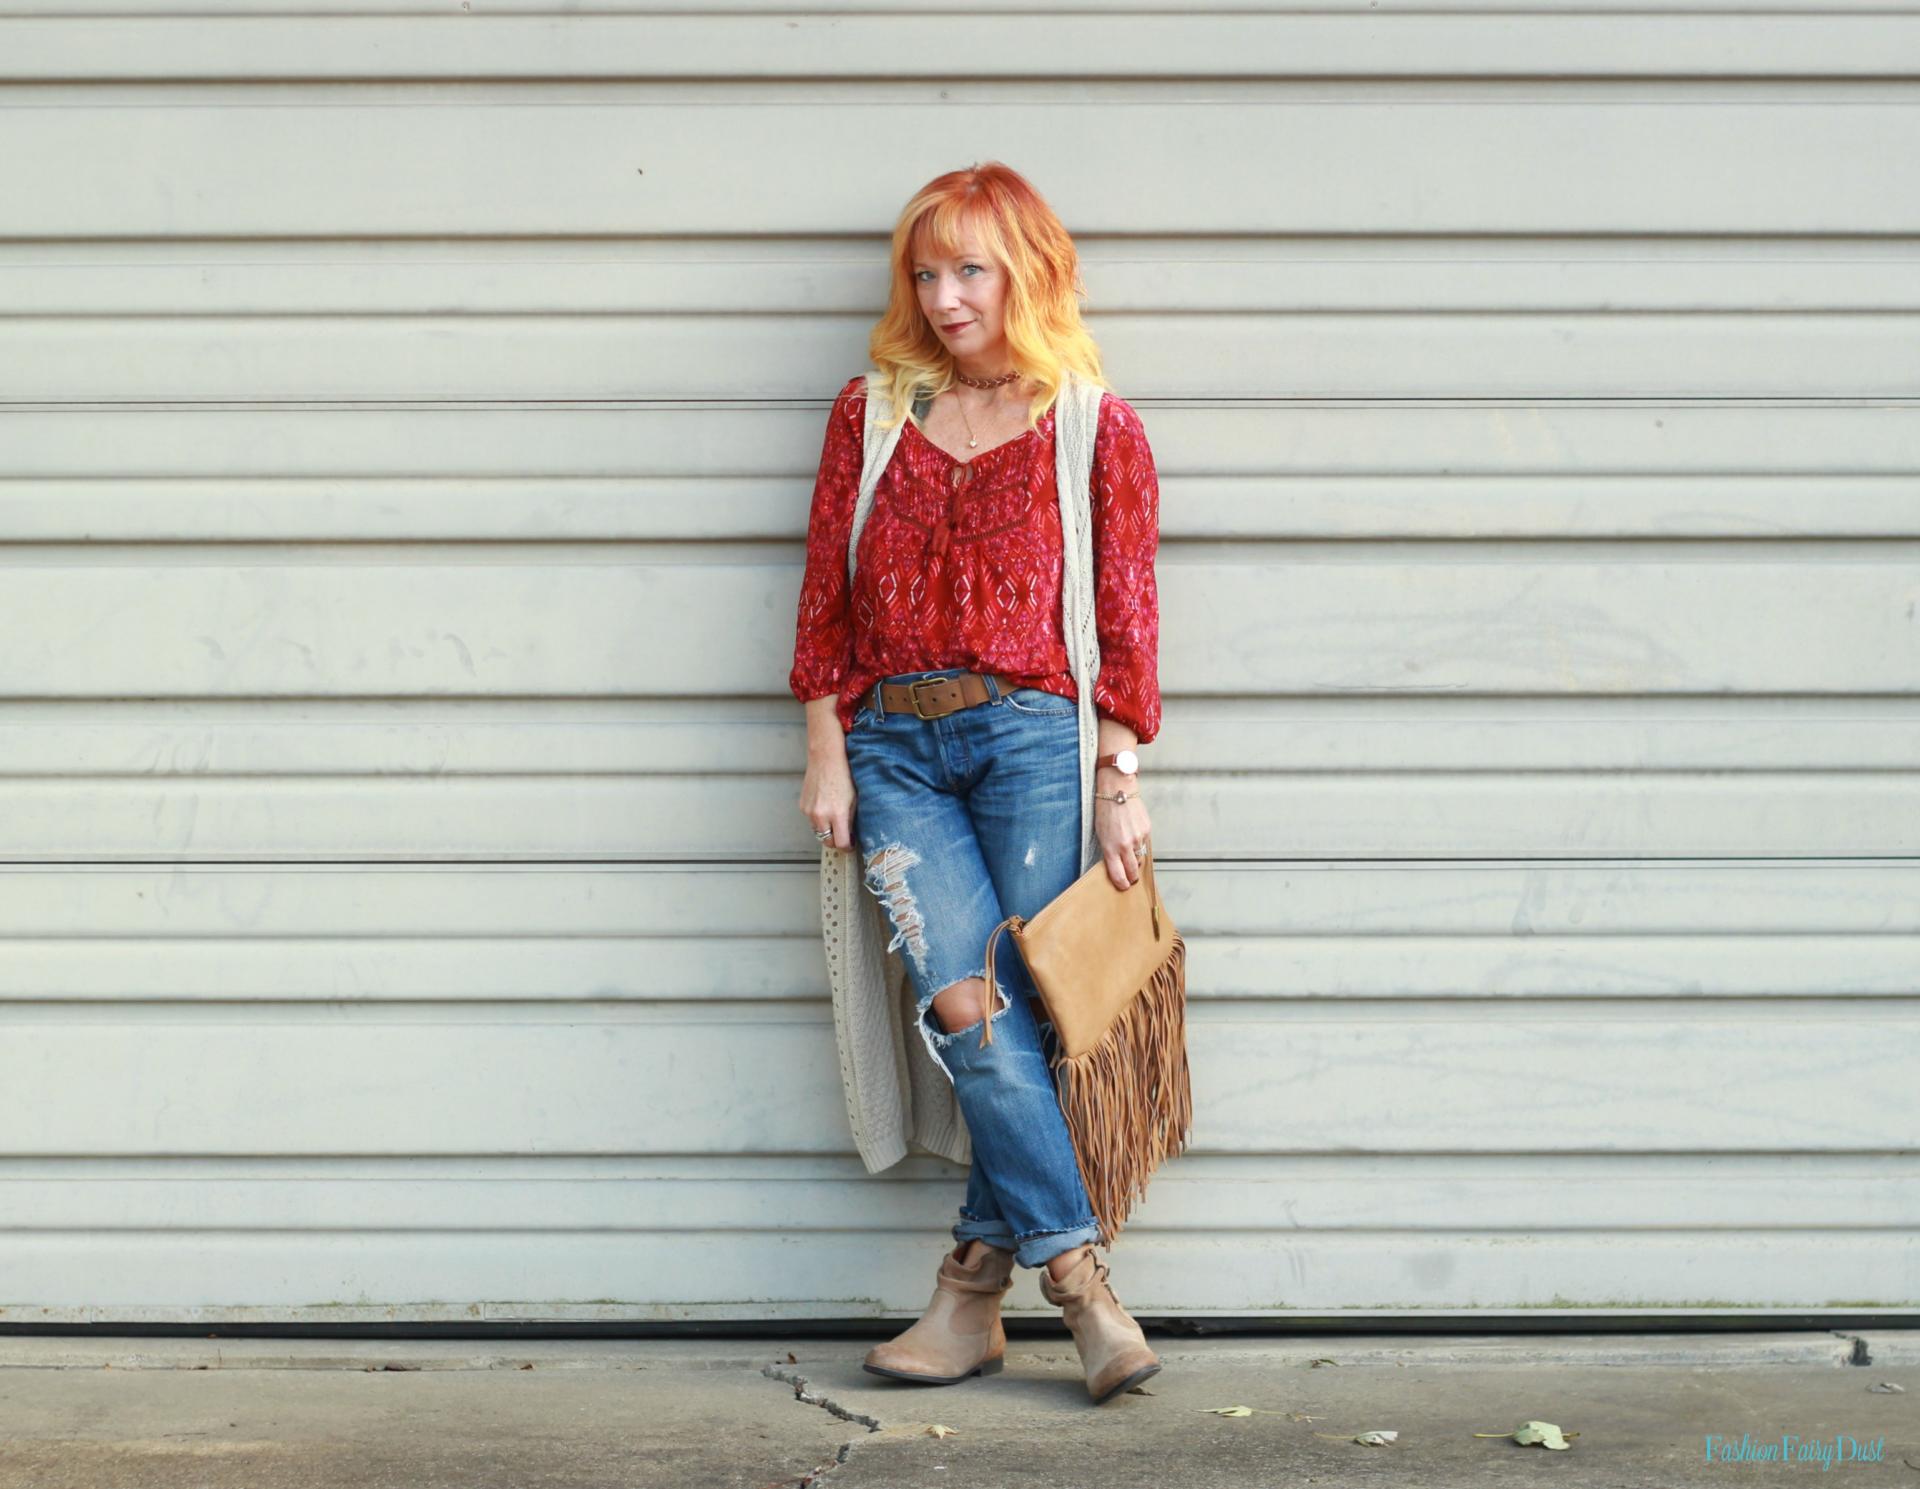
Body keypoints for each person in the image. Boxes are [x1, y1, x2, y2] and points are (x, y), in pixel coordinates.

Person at [788, 162, 1165, 1405]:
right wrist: (826, 745)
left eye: (970, 269)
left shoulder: (1091, 426)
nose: (943, 296)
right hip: (894, 745)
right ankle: (1083, 1287)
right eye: (925, 271)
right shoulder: (873, 412)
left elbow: (1125, 613)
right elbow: (825, 596)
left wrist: (1119, 770)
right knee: (968, 1009)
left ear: (1027, 273)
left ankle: (968, 1297)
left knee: (1028, 1012)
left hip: (1032, 742)